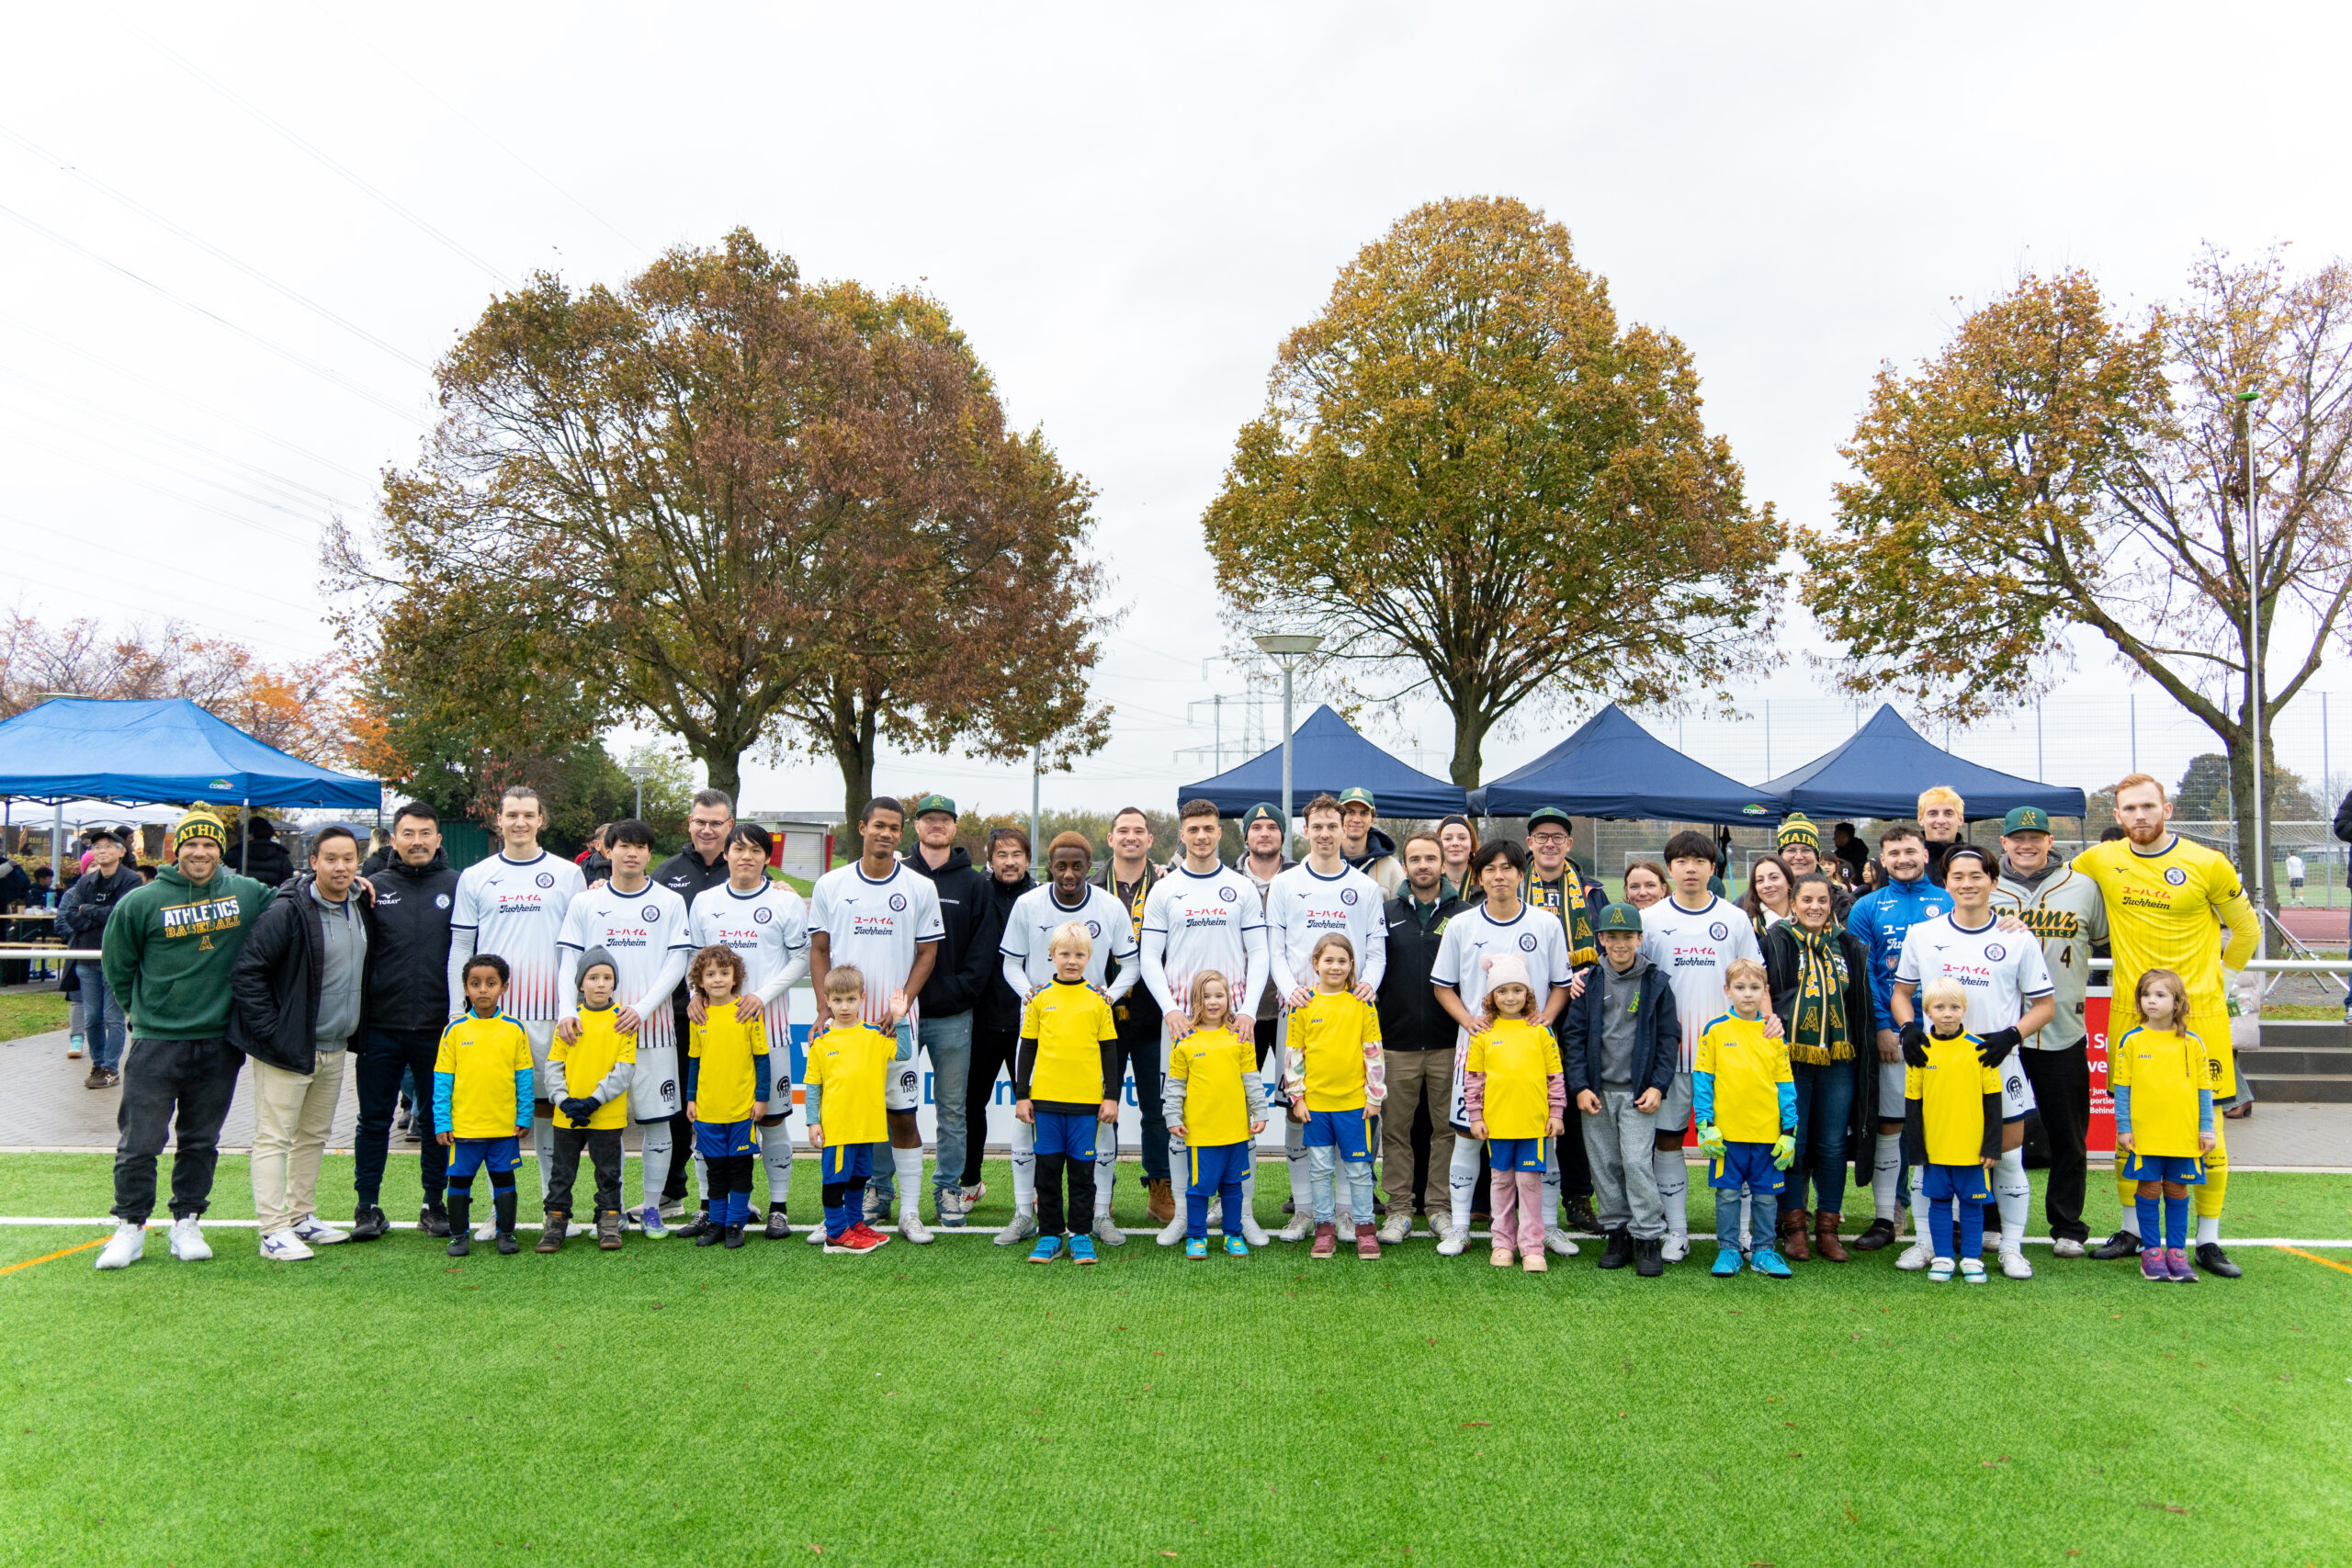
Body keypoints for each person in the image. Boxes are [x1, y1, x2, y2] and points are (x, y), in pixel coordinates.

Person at [2074, 773, 2257, 1276]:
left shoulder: (2207, 863)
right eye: (2129, 809)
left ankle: (2208, 1239)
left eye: (2148, 807)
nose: (2140, 816)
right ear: (2117, 816)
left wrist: (2220, 980)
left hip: (2199, 1019)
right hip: (2129, 1017)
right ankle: (2134, 1229)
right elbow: (2058, 886)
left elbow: (2246, 928)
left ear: (2168, 809)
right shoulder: (2102, 860)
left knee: (2209, 1126)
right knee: (2127, 1123)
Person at [93, 807, 280, 1271]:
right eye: (192, 844)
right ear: (178, 849)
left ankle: (187, 1220)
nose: (200, 852)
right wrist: (142, 1012)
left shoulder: (245, 892)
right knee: (139, 1140)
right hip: (157, 1042)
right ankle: (130, 1227)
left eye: (210, 844)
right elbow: (118, 967)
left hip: (218, 1042)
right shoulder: (141, 901)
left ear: (221, 850)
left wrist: (357, 882)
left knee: (200, 1140)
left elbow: (295, 899)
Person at [1891, 843, 2053, 1280]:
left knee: (2008, 1158)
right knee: (1929, 1159)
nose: (1967, 883)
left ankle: (2012, 1249)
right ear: (1945, 883)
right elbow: (1902, 995)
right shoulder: (1923, 935)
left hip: (1997, 1063)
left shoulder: (2016, 936)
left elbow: (2045, 1005)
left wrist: (2011, 1035)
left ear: (1994, 882)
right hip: (1937, 1068)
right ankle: (1927, 1243)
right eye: (1958, 876)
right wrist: (1908, 1029)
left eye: (1977, 876)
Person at [230, 823, 373, 1262]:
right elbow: (248, 973)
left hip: (334, 1046)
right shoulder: (287, 910)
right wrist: (274, 1034)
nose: (341, 866)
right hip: (289, 1048)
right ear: (313, 863)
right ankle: (272, 1230)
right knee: (273, 1137)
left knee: (313, 1136)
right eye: (331, 858)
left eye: (349, 858)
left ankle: (301, 1216)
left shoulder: (361, 905)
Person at [808, 798, 944, 1244]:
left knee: (901, 1117)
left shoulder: (920, 888)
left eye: (894, 828)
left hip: (894, 1025)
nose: (886, 834)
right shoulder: (832, 884)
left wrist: (901, 1003)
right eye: (878, 826)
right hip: (843, 1025)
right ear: (862, 827)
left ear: (901, 834)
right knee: (841, 1123)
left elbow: (928, 952)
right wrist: (824, 1007)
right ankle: (840, 1221)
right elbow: (820, 950)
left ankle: (909, 1213)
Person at [447, 785, 585, 1220]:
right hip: (493, 1019)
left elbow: (579, 948)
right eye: (512, 815)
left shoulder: (568, 874)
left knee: (547, 1108)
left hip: (551, 1014)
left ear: (541, 819)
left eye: (528, 814)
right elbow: (460, 947)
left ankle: (552, 1208)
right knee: (492, 1115)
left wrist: (572, 1005)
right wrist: (457, 1011)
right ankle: (495, 1211)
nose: (520, 823)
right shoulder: (476, 876)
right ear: (498, 820)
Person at [1431, 839, 1574, 1257]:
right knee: (1468, 1135)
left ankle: (1547, 1227)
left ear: (1520, 873)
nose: (1499, 876)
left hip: (1531, 1055)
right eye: (1490, 869)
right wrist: (1468, 1020)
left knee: (1542, 1137)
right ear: (1479, 877)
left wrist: (1545, 1018)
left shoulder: (1546, 924)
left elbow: (1562, 985)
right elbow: (1443, 986)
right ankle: (1459, 1227)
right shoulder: (1461, 925)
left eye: (1507, 868)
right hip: (1477, 1052)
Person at [1140, 799, 1271, 1247]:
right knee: (1179, 1117)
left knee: (1240, 1117)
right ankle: (1181, 1214)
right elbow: (1148, 958)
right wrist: (1170, 1009)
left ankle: (1245, 1215)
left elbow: (1260, 953)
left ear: (1220, 833)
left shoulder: (1241, 887)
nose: (1201, 836)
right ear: (1181, 833)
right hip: (1180, 1027)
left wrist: (1249, 1009)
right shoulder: (1165, 890)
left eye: (1209, 828)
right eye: (1193, 828)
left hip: (1232, 1025)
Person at [995, 830, 1136, 1246]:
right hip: (1040, 1026)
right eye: (1061, 866)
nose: (1069, 874)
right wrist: (1029, 992)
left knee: (1099, 1120)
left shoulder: (1110, 907)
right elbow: (1011, 964)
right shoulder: (1027, 904)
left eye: (1078, 866)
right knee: (1029, 1117)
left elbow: (1131, 965)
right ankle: (1025, 1213)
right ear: (1049, 867)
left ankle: (1099, 1214)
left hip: (1090, 1031)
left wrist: (1107, 997)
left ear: (1090, 868)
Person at [1637, 829, 1770, 1264]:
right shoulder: (1651, 919)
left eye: (1699, 862)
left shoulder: (1733, 918)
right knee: (1669, 1141)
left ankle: (1744, 1234)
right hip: (1670, 1054)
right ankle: (1676, 1231)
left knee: (1739, 1142)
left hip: (1727, 1055)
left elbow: (1755, 976)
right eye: (1681, 862)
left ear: (1713, 869)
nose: (1690, 869)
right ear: (1670, 868)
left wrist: (1769, 1021)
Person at [556, 818, 692, 1236]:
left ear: (650, 854)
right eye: (622, 846)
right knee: (597, 1121)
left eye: (640, 847)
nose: (631, 853)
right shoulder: (585, 902)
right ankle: (595, 1210)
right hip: (595, 1035)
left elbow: (678, 962)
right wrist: (567, 1010)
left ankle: (651, 1207)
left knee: (657, 1121)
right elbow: (568, 960)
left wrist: (645, 1007)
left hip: (652, 1031)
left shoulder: (669, 902)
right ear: (606, 850)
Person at [1266, 795, 1387, 1237]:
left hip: (1349, 1018)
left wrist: (1368, 985)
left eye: (1331, 825)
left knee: (1349, 1112)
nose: (1324, 833)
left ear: (1344, 829)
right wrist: (1288, 987)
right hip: (1300, 1016)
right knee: (1300, 1111)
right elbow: (1275, 948)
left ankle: (1342, 1212)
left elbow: (1375, 948)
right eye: (1316, 825)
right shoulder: (1286, 884)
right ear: (1305, 830)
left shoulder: (1365, 887)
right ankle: (1304, 1210)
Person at [1989, 806, 2107, 1258]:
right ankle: (1992, 1220)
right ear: (2004, 842)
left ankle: (2068, 1225)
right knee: (1994, 1131)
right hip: (2000, 1033)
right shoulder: (1987, 884)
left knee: (2068, 1133)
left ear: (2049, 840)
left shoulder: (2082, 887)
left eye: (2035, 836)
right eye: (2018, 837)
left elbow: (2099, 939)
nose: (2026, 844)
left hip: (2063, 1029)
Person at [686, 823, 809, 1239]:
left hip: (768, 1031)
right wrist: (693, 994)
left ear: (766, 858)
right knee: (708, 1124)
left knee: (772, 1121)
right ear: (726, 854)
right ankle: (708, 1208)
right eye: (738, 849)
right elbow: (695, 960)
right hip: (715, 1036)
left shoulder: (785, 903)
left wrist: (762, 995)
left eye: (755, 850)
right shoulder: (705, 902)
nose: (745, 856)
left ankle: (778, 1207)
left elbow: (801, 959)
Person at [353, 800, 459, 1241]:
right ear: (394, 839)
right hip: (381, 1026)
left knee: (438, 1123)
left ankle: (433, 1204)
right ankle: (367, 1206)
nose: (417, 841)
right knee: (373, 1120)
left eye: (426, 833)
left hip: (439, 1029)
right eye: (409, 834)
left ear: (438, 839)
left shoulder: (460, 886)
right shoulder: (370, 888)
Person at [1843, 821, 1952, 1253]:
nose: (1903, 860)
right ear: (1882, 861)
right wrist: (1884, 1026)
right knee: (1890, 1125)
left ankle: (1945, 1218)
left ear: (1926, 854)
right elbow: (1864, 971)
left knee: (1941, 1127)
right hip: (1891, 1035)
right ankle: (1886, 1218)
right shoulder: (1867, 907)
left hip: (1946, 1034)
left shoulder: (1948, 900)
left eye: (1910, 851)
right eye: (1894, 854)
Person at [895, 795, 997, 1229]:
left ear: (955, 829)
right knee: (892, 1102)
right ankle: (882, 1188)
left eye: (945, 820)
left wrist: (957, 991)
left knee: (953, 1107)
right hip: (898, 1014)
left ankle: (949, 1188)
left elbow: (983, 949)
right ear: (916, 828)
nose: (937, 826)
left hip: (952, 1016)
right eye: (928, 819)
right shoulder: (897, 876)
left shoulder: (974, 884)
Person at [1761, 874, 1873, 1263]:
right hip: (1789, 1059)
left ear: (1831, 904)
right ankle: (1794, 1230)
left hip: (1839, 1058)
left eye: (1822, 900)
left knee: (1832, 1145)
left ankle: (1828, 1230)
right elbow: (1764, 992)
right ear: (1793, 903)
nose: (1814, 907)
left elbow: (1860, 998)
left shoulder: (1847, 944)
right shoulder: (1775, 940)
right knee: (1795, 1142)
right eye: (1806, 899)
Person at [1564, 904, 1679, 1276]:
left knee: (1634, 1162)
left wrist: (1659, 1087)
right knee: (1605, 1166)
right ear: (1600, 939)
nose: (1619, 943)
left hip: (1638, 1093)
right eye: (1611, 936)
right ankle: (1617, 1234)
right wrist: (1579, 1086)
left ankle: (1648, 1237)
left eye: (1627, 936)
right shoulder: (1590, 982)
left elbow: (1668, 1039)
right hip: (1596, 1093)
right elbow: (1574, 1038)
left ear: (1639, 938)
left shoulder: (1656, 983)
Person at [651, 790, 739, 1219]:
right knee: (681, 1106)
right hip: (684, 1011)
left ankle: (732, 1193)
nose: (707, 829)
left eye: (716, 822)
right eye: (700, 821)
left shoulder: (746, 866)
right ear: (689, 823)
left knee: (730, 1101)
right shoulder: (667, 873)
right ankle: (672, 1192)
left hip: (735, 1015)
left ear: (730, 825)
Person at [1374, 831, 1464, 1243]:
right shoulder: (1385, 912)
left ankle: (1440, 1208)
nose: (1423, 865)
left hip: (1450, 1043)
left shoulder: (1464, 914)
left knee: (1445, 1131)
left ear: (1444, 864)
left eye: (1431, 857)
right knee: (1396, 1132)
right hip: (1397, 1043)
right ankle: (1398, 1210)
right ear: (1405, 866)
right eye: (1415, 859)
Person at [1014, 921, 1121, 1265]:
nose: (1071, 960)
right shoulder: (1040, 999)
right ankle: (1049, 1235)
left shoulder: (1098, 1001)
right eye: (1064, 954)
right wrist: (1022, 1094)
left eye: (1078, 954)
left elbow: (1109, 1052)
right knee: (1046, 1172)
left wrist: (1112, 1096)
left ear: (1089, 957)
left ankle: (1080, 1234)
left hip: (1086, 1104)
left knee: (1081, 1173)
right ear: (1051, 955)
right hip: (1045, 1103)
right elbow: (1027, 1049)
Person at [1521, 807, 1601, 1234]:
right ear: (1529, 843)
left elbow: (1607, 947)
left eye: (1558, 837)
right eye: (1541, 836)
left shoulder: (1591, 891)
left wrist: (1582, 974)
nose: (1549, 843)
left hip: (1577, 1012)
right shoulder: (1513, 888)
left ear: (1569, 844)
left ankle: (1578, 1196)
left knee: (1569, 1103)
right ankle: (1503, 1195)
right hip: (1522, 1010)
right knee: (1513, 1099)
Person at [2112, 968, 2218, 1284]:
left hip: (2184, 1135)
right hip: (2145, 1135)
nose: (2151, 1001)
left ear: (2177, 1001)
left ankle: (2176, 1252)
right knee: (2148, 1188)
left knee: (2176, 1189)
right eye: (2146, 995)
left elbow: (2203, 1091)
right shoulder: (2131, 1040)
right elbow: (2122, 1089)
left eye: (2160, 995)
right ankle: (2151, 1253)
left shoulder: (2193, 1043)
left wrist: (2207, 1129)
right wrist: (2124, 1126)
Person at [1283, 932, 1385, 1259]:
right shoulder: (1303, 1004)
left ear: (1351, 965)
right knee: (1320, 1169)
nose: (1335, 966)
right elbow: (1294, 1054)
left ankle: (1365, 1229)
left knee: (1358, 1169)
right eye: (1328, 960)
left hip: (1354, 1104)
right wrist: (1297, 1098)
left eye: (1342, 961)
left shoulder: (1362, 1004)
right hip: (1316, 1106)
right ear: (1315, 963)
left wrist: (1374, 1096)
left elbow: (1373, 1053)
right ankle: (1324, 1229)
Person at [1694, 958, 1797, 1279]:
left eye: (1754, 988)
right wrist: (1705, 1125)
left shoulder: (1773, 1034)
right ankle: (1728, 1249)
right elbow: (1703, 1080)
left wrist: (1789, 1130)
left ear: (1765, 991)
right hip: (1727, 1136)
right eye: (1740, 988)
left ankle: (1765, 1251)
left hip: (1767, 1135)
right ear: (1727, 991)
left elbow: (1786, 1085)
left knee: (1767, 1196)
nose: (1747, 994)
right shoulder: (1715, 1030)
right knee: (1727, 1193)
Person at [1463, 952, 1564, 1273]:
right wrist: (1476, 1117)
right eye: (1502, 991)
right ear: (1492, 997)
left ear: (1528, 994)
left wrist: (1556, 1112)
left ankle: (1532, 1247)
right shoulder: (1483, 1034)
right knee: (1502, 1183)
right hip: (1498, 1125)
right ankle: (1502, 1243)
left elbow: (1555, 1077)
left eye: (1517, 990)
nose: (1510, 997)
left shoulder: (1541, 1031)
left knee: (1529, 1183)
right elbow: (1473, 1081)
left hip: (1532, 1124)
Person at [1097, 806, 1172, 1235]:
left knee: (1156, 1109)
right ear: (1110, 839)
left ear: (1149, 840)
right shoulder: (1090, 888)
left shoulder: (1166, 887)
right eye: (1123, 830)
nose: (1130, 837)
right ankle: (1099, 1191)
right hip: (1100, 1016)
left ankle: (1159, 1187)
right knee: (1096, 1107)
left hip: (1154, 1015)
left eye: (1138, 831)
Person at [1903, 976, 2004, 1284]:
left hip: (1972, 1151)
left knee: (1973, 1206)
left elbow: (1994, 1103)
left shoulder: (1979, 1049)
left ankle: (1972, 1258)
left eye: (1955, 1007)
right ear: (1927, 1011)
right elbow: (1913, 1104)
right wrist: (1917, 1149)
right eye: (1940, 1007)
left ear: (1965, 1009)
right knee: (1940, 1205)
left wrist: (1991, 1147)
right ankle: (1944, 1256)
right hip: (1936, 1150)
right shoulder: (1921, 1051)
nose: (1948, 1013)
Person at [435, 954, 535, 1258]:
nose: (483, 990)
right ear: (465, 988)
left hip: (503, 1128)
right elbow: (442, 1081)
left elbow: (525, 1078)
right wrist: (442, 1122)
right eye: (475, 984)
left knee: (504, 1180)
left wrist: (524, 1115)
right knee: (459, 1182)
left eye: (490, 984)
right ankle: (457, 1236)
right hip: (464, 1130)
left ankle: (506, 1233)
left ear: (504, 987)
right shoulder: (455, 1030)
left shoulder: (514, 1029)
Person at [1162, 972, 1267, 1258]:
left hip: (1235, 1131)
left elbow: (1252, 1079)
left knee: (1233, 1187)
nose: (1212, 1002)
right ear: (1195, 1000)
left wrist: (1260, 1110)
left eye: (1218, 995)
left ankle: (1233, 1235)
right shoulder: (1184, 1040)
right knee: (1199, 1189)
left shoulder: (1239, 1038)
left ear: (1229, 999)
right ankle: (1196, 1236)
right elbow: (1175, 1086)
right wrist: (1173, 1116)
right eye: (1206, 996)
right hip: (1201, 1133)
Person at [805, 964, 906, 1256]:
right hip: (838, 1128)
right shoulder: (821, 1042)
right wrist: (814, 1122)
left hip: (868, 1125)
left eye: (850, 999)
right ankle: (836, 1234)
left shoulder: (874, 1035)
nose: (844, 1006)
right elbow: (813, 1085)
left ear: (862, 998)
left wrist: (899, 1020)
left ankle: (853, 1223)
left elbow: (903, 1053)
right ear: (827, 1001)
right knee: (835, 1180)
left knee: (859, 1177)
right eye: (837, 1000)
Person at [542, 949, 634, 1252]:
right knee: (562, 1174)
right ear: (580, 984)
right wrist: (565, 1101)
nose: (600, 984)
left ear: (614, 983)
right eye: (593, 977)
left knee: (608, 1173)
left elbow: (624, 1069)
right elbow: (554, 1066)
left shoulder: (623, 1020)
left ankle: (608, 1222)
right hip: (567, 1115)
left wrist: (593, 1101)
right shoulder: (570, 1021)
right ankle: (555, 1224)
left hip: (605, 1115)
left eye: (607, 978)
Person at [964, 827, 1034, 1206]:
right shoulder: (976, 892)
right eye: (1002, 855)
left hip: (1030, 1024)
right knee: (972, 1104)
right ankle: (970, 1180)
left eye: (1017, 854)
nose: (1010, 862)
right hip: (982, 1020)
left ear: (1027, 859)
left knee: (1035, 1106)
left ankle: (1038, 1187)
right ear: (990, 860)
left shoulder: (1042, 897)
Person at [683, 943, 768, 1249]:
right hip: (708, 1110)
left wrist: (761, 1098)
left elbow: (761, 1058)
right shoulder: (699, 1017)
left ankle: (736, 1223)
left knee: (741, 1169)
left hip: (742, 1110)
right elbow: (694, 1060)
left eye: (724, 973)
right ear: (700, 981)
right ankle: (717, 1222)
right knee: (715, 1171)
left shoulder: (747, 1012)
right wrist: (691, 1099)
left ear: (735, 978)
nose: (717, 979)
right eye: (710, 974)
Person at [57, 827, 141, 1089]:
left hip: (115, 958)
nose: (101, 850)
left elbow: (121, 915)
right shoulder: (85, 881)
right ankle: (98, 1063)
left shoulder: (131, 881)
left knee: (113, 1017)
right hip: (86, 957)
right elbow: (71, 914)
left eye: (108, 845)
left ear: (121, 851)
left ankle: (111, 1068)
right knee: (92, 1017)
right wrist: (95, 915)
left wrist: (88, 911)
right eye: (97, 847)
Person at [1774, 815, 1849, 919]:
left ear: (1817, 857)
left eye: (1806, 850)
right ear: (1780, 857)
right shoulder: (1759, 898)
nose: (1799, 857)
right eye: (1791, 850)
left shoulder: (1841, 900)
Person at [1336, 788, 1405, 897]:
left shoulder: (1392, 868)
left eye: (1363, 813)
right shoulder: (1316, 861)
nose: (1356, 819)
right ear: (1338, 816)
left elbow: (1400, 912)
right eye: (1350, 812)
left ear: (1372, 819)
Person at [1917, 786, 1967, 886]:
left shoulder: (1975, 858)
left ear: (1960, 819)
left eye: (1948, 813)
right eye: (1933, 813)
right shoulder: (1907, 859)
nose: (1941, 821)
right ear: (1920, 819)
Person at [229, 815, 296, 889]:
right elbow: (288, 876)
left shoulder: (242, 850)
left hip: (245, 893)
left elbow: (227, 859)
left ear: (250, 833)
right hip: (272, 896)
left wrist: (242, 843)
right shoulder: (280, 852)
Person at [1739, 853, 1794, 938]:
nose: (1767, 885)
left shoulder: (1805, 920)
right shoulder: (1745, 926)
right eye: (1760, 880)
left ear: (1789, 883)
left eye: (1774, 877)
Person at [1435, 815, 1478, 899]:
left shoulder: (1485, 883)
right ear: (1438, 844)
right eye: (1447, 839)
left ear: (1472, 844)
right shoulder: (1428, 883)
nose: (1455, 843)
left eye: (1462, 838)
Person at [1832, 822, 1870, 886]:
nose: (1834, 838)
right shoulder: (1838, 853)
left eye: (1839, 836)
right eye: (1835, 836)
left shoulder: (1858, 853)